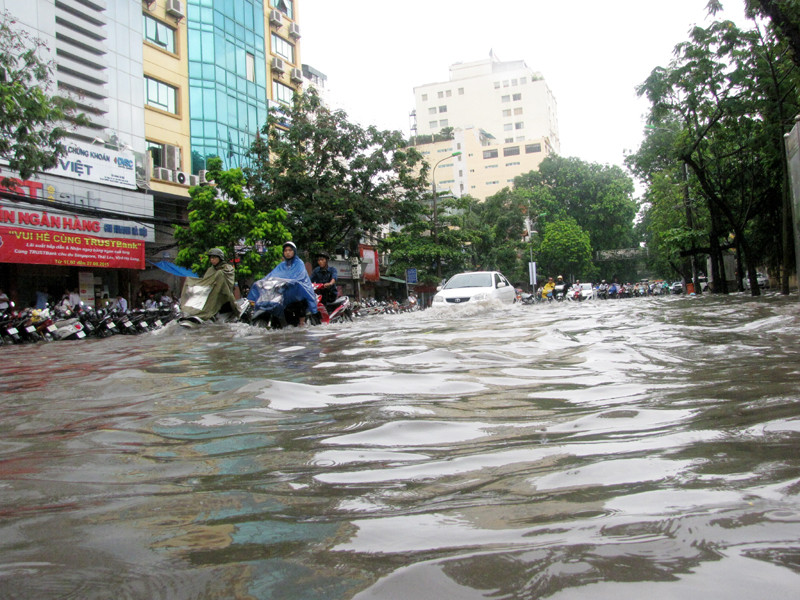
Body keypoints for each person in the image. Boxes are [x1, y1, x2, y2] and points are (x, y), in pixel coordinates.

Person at [180, 248, 239, 321]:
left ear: (220, 258)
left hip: (224, 299)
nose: (212, 260)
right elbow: (206, 282)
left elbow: (228, 282)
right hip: (211, 297)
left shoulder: (228, 268)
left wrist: (218, 277)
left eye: (214, 258)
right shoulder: (210, 270)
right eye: (211, 258)